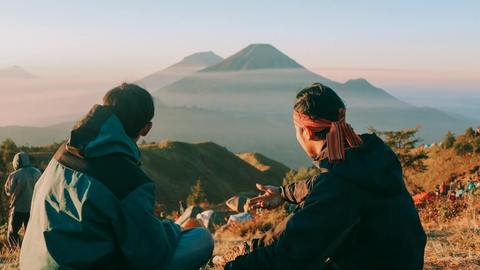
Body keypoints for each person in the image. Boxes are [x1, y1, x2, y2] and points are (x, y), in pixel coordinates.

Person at [224, 83, 426, 270]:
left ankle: (251, 250)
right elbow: (321, 184)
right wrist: (283, 193)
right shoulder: (369, 155)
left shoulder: (339, 185)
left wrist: (234, 267)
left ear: (307, 132)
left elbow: (290, 255)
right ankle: (254, 247)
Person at [20, 83, 213, 270]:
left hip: (34, 263)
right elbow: (150, 256)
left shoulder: (63, 154)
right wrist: (173, 229)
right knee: (201, 238)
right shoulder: (128, 180)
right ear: (146, 128)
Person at [3, 152, 42, 247]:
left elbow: (8, 191)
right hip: (33, 208)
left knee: (12, 233)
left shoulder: (15, 175)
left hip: (18, 209)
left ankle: (17, 249)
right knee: (31, 233)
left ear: (16, 162)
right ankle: (29, 250)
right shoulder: (37, 172)